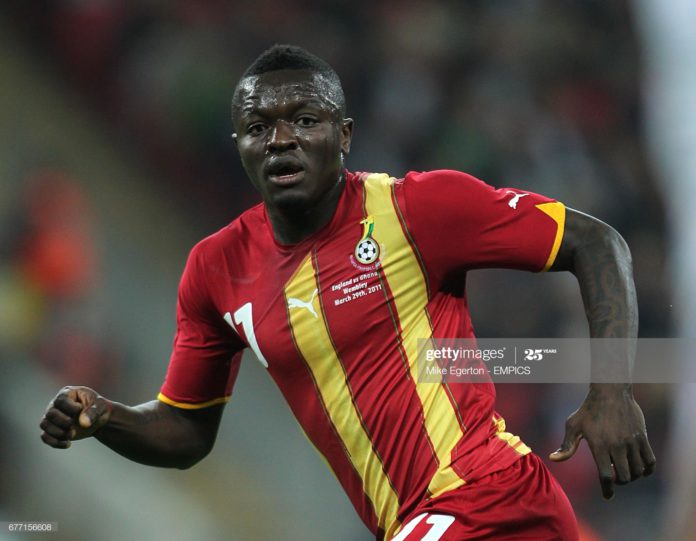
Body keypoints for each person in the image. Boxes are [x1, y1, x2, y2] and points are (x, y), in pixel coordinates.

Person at [40, 45, 655, 540]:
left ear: (345, 135)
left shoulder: (419, 208)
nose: (280, 139)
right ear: (240, 147)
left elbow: (598, 244)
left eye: (304, 120)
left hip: (491, 496)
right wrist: (106, 416)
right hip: (419, 524)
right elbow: (185, 431)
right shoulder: (215, 270)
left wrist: (611, 394)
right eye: (258, 127)